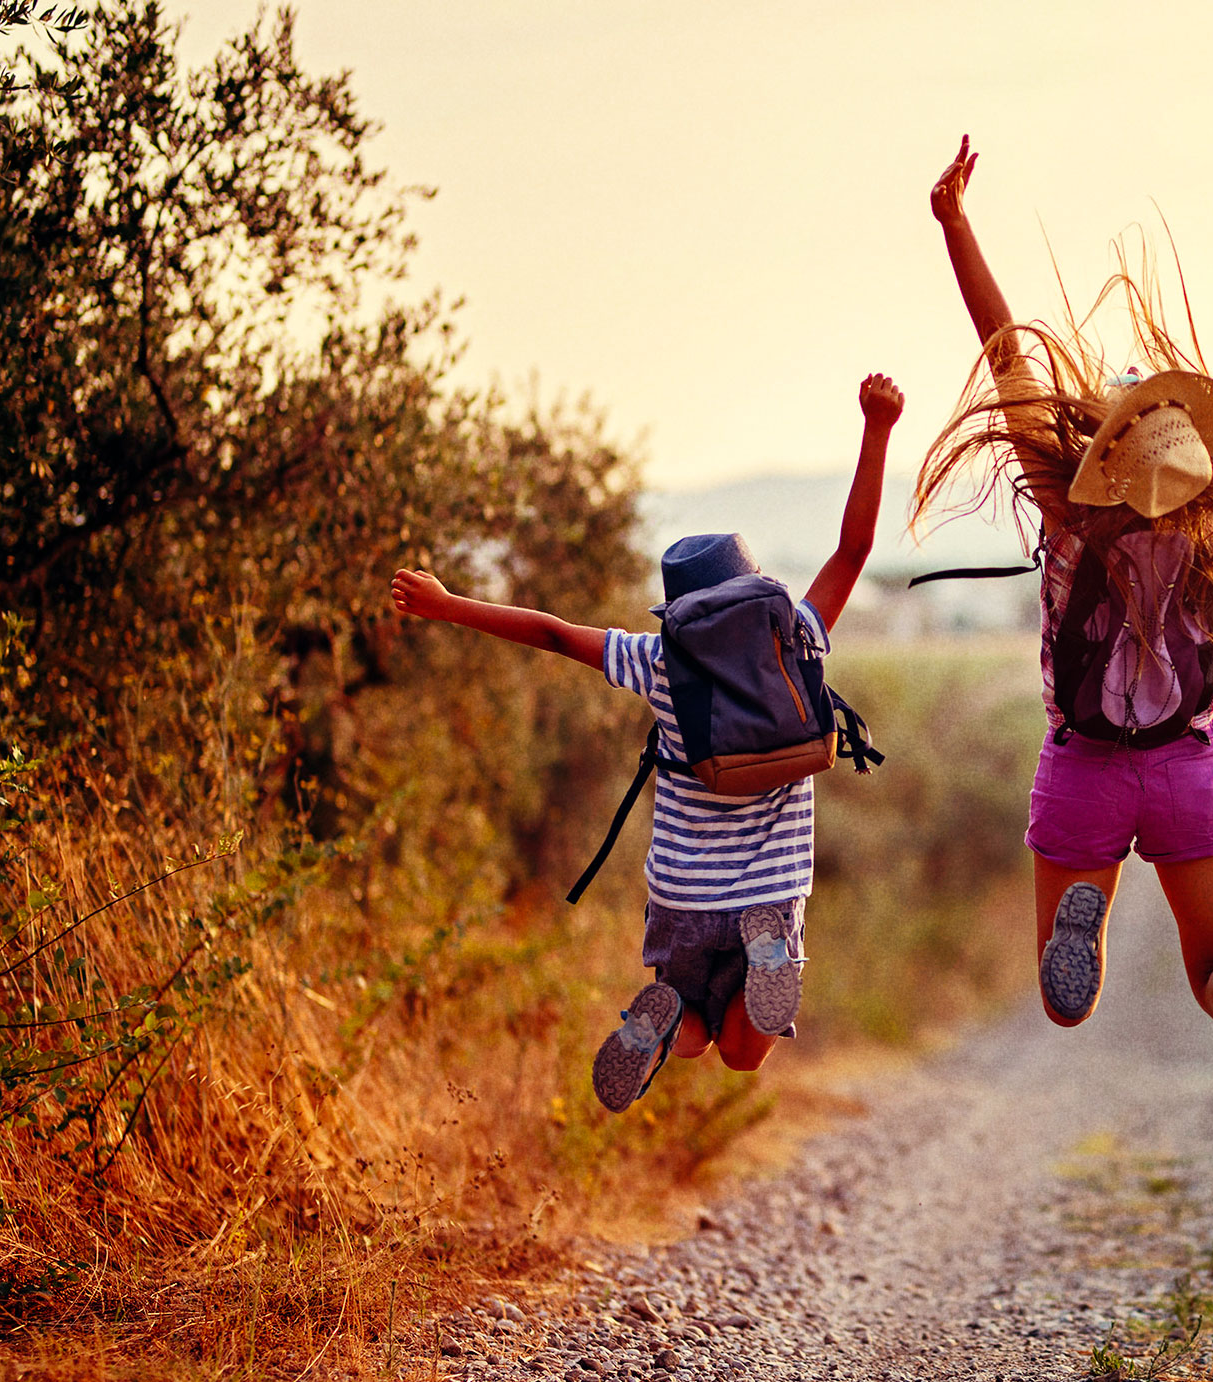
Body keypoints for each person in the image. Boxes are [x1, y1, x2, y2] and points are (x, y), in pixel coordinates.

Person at [913, 135, 1213, 1131]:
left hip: (1083, 761)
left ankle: (1084, 925)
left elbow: (1005, 346)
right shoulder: (1212, 516)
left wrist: (957, 225)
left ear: (1096, 444)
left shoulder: (1068, 513)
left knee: (1061, 998)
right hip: (1186, 765)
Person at [388, 374, 905, 1111]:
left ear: (678, 613)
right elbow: (853, 551)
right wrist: (877, 428)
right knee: (745, 1056)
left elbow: (549, 631)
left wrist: (447, 606)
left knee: (691, 1030)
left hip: (682, 894)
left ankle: (659, 1027)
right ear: (753, 592)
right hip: (772, 889)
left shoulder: (657, 662)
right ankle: (765, 951)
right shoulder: (796, 640)